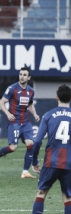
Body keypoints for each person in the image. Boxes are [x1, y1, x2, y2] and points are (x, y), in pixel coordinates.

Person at [0, 67, 40, 178]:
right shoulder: (12, 88)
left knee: (31, 143)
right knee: (13, 147)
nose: (22, 76)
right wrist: (8, 113)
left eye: (25, 75)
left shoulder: (31, 91)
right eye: (20, 74)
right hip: (14, 122)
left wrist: (34, 114)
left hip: (25, 122)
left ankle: (25, 171)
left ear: (29, 77)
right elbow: (1, 103)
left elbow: (30, 104)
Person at [31, 84, 71, 214]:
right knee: (67, 197)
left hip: (51, 162)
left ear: (56, 97)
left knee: (41, 193)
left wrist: (35, 161)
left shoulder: (48, 115)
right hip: (69, 163)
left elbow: (37, 141)